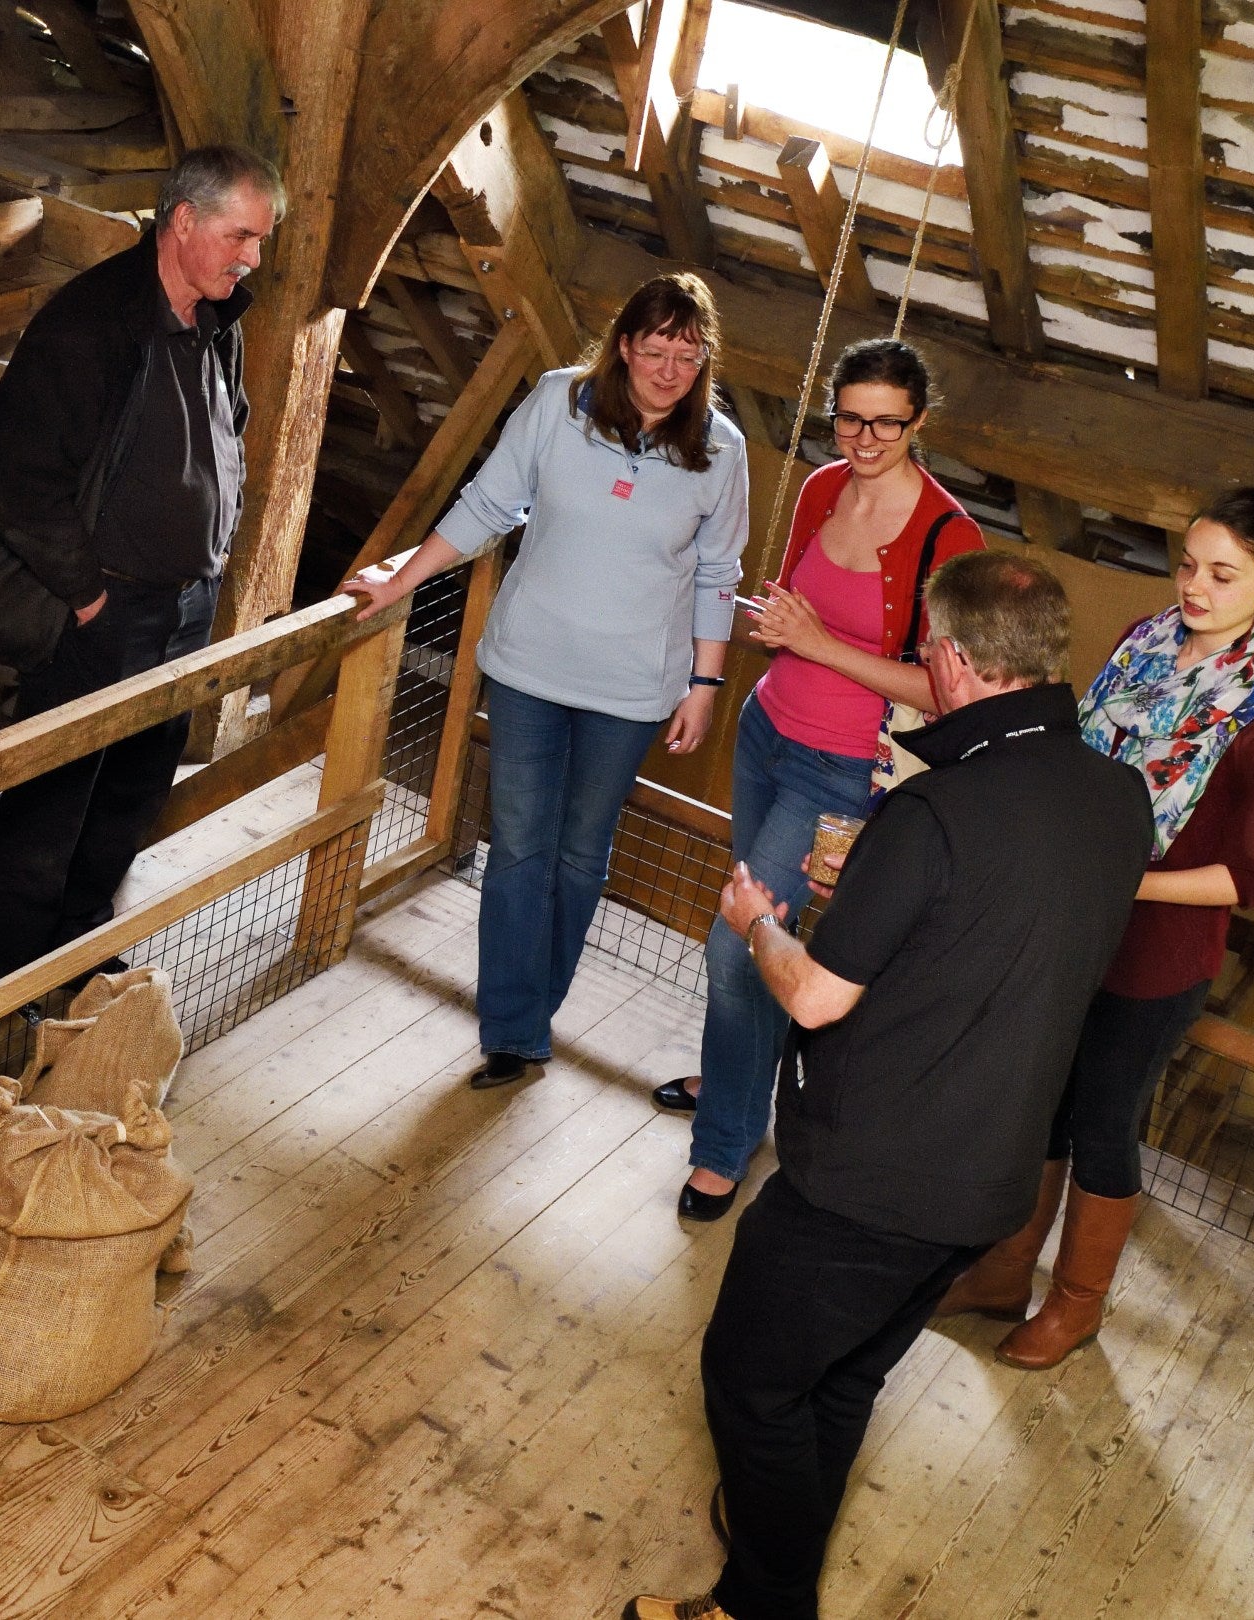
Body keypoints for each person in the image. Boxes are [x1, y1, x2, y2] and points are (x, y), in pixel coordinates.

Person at [623, 551, 1152, 1620]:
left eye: (923, 652)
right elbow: (998, 936)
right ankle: (787, 1538)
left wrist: (758, 921)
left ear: (950, 662)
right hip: (990, 1184)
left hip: (870, 1183)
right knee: (846, 1376)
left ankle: (762, 1602)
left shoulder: (933, 813)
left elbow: (814, 999)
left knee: (753, 1381)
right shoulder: (1117, 797)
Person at [937, 488, 1254, 1368]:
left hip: (1153, 954)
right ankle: (1002, 1272)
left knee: (1104, 1119)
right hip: (1071, 916)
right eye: (1188, 564)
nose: (1195, 585)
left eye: (1224, 574)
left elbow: (1252, 878)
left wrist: (1131, 886)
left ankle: (1078, 1304)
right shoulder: (1143, 641)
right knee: (1038, 1098)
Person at [348, 274, 748, 1088]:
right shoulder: (559, 402)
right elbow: (489, 503)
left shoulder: (722, 448)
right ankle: (514, 1028)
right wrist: (402, 579)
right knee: (521, 848)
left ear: (704, 356)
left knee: (578, 854)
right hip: (530, 665)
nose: (669, 369)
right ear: (625, 345)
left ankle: (535, 1005)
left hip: (634, 688)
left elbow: (717, 573)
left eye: (687, 352)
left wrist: (705, 684)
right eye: (655, 349)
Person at [649, 339, 983, 1222]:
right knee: (757, 932)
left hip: (840, 770)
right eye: (850, 417)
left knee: (740, 938)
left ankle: (724, 1146)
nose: (864, 437)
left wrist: (818, 644)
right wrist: (772, 627)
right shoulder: (820, 487)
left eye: (886, 423)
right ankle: (736, 1077)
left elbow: (947, 693)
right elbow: (792, 608)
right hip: (767, 731)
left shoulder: (951, 537)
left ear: (919, 423)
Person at [0, 145, 282, 983]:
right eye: (242, 235)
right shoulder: (90, 322)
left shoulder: (218, 319)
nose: (252, 257)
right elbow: (12, 478)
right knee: (56, 795)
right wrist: (88, 596)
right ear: (182, 222)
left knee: (133, 787)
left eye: (261, 241)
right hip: (106, 609)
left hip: (182, 608)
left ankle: (78, 950)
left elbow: (224, 435)